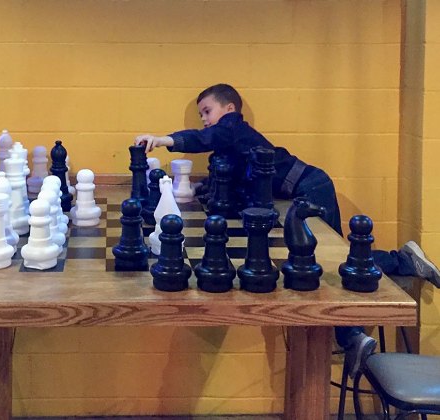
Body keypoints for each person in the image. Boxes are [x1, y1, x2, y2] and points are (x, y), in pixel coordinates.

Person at [135, 83, 440, 377]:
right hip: (301, 191)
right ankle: (374, 304)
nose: (204, 120)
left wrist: (165, 140)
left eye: (207, 111)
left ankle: (367, 313)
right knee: (326, 265)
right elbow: (231, 177)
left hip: (311, 187)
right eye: (201, 114)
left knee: (327, 263)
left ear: (229, 109)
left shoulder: (233, 128)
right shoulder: (233, 145)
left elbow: (211, 136)